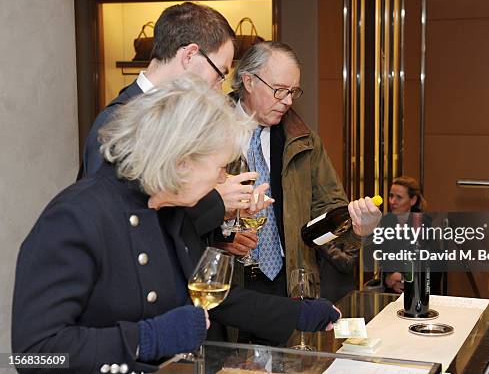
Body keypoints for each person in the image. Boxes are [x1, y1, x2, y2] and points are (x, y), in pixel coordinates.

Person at [12, 76, 341, 374]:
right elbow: (33, 355)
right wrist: (147, 338)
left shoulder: (169, 210)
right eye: (218, 167)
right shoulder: (76, 217)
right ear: (181, 161)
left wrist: (297, 314)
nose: (220, 178)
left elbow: (214, 298)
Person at [80, 1, 258, 259]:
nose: (219, 87)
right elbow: (122, 228)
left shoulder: (172, 119)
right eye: (220, 73)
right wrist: (216, 202)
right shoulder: (120, 120)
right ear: (188, 55)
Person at [228, 41, 382, 304]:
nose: (287, 101)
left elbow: (329, 215)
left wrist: (358, 230)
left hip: (290, 287)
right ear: (248, 81)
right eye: (279, 91)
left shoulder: (304, 142)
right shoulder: (205, 132)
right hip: (228, 285)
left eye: (293, 92)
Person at [380, 176, 442, 295]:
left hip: (419, 294)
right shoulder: (386, 222)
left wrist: (404, 278)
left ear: (413, 200)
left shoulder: (423, 224)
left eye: (399, 197)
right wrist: (388, 279)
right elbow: (383, 262)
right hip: (391, 293)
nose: (393, 201)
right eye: (391, 196)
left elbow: (432, 265)